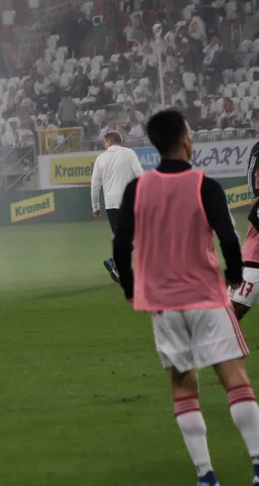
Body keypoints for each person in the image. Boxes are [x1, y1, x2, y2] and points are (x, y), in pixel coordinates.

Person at [112, 110, 259, 486]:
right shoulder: (204, 185)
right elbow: (228, 238)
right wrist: (236, 275)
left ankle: (205, 475)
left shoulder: (137, 189)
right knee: (235, 378)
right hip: (207, 297)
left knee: (182, 386)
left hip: (162, 304)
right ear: (184, 141)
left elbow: (119, 242)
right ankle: (258, 466)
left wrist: (131, 288)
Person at [93, 131, 145, 283]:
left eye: (105, 142)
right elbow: (140, 174)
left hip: (110, 205)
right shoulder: (129, 153)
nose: (104, 145)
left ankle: (116, 265)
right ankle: (115, 263)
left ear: (110, 141)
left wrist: (95, 206)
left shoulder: (100, 158)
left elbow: (95, 185)